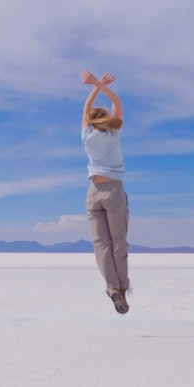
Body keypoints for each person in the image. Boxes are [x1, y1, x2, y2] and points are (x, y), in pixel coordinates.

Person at [80, 70, 131, 314]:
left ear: (90, 121)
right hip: (113, 191)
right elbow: (118, 102)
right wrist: (101, 83)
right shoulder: (114, 133)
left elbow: (86, 106)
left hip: (93, 192)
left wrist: (93, 85)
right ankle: (121, 289)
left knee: (101, 244)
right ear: (106, 119)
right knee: (118, 242)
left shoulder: (86, 135)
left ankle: (111, 287)